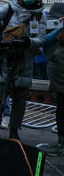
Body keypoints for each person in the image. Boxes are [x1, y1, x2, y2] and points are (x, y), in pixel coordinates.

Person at [0, 0, 46, 142]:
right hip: (5, 59)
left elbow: (41, 39)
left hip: (25, 61)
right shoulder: (9, 8)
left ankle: (14, 131)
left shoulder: (39, 15)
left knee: (20, 101)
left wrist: (28, 42)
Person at [38, 26, 64, 155]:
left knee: (61, 114)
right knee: (60, 113)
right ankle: (61, 142)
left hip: (61, 80)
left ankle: (61, 144)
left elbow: (46, 40)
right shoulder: (60, 32)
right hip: (59, 81)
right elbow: (45, 40)